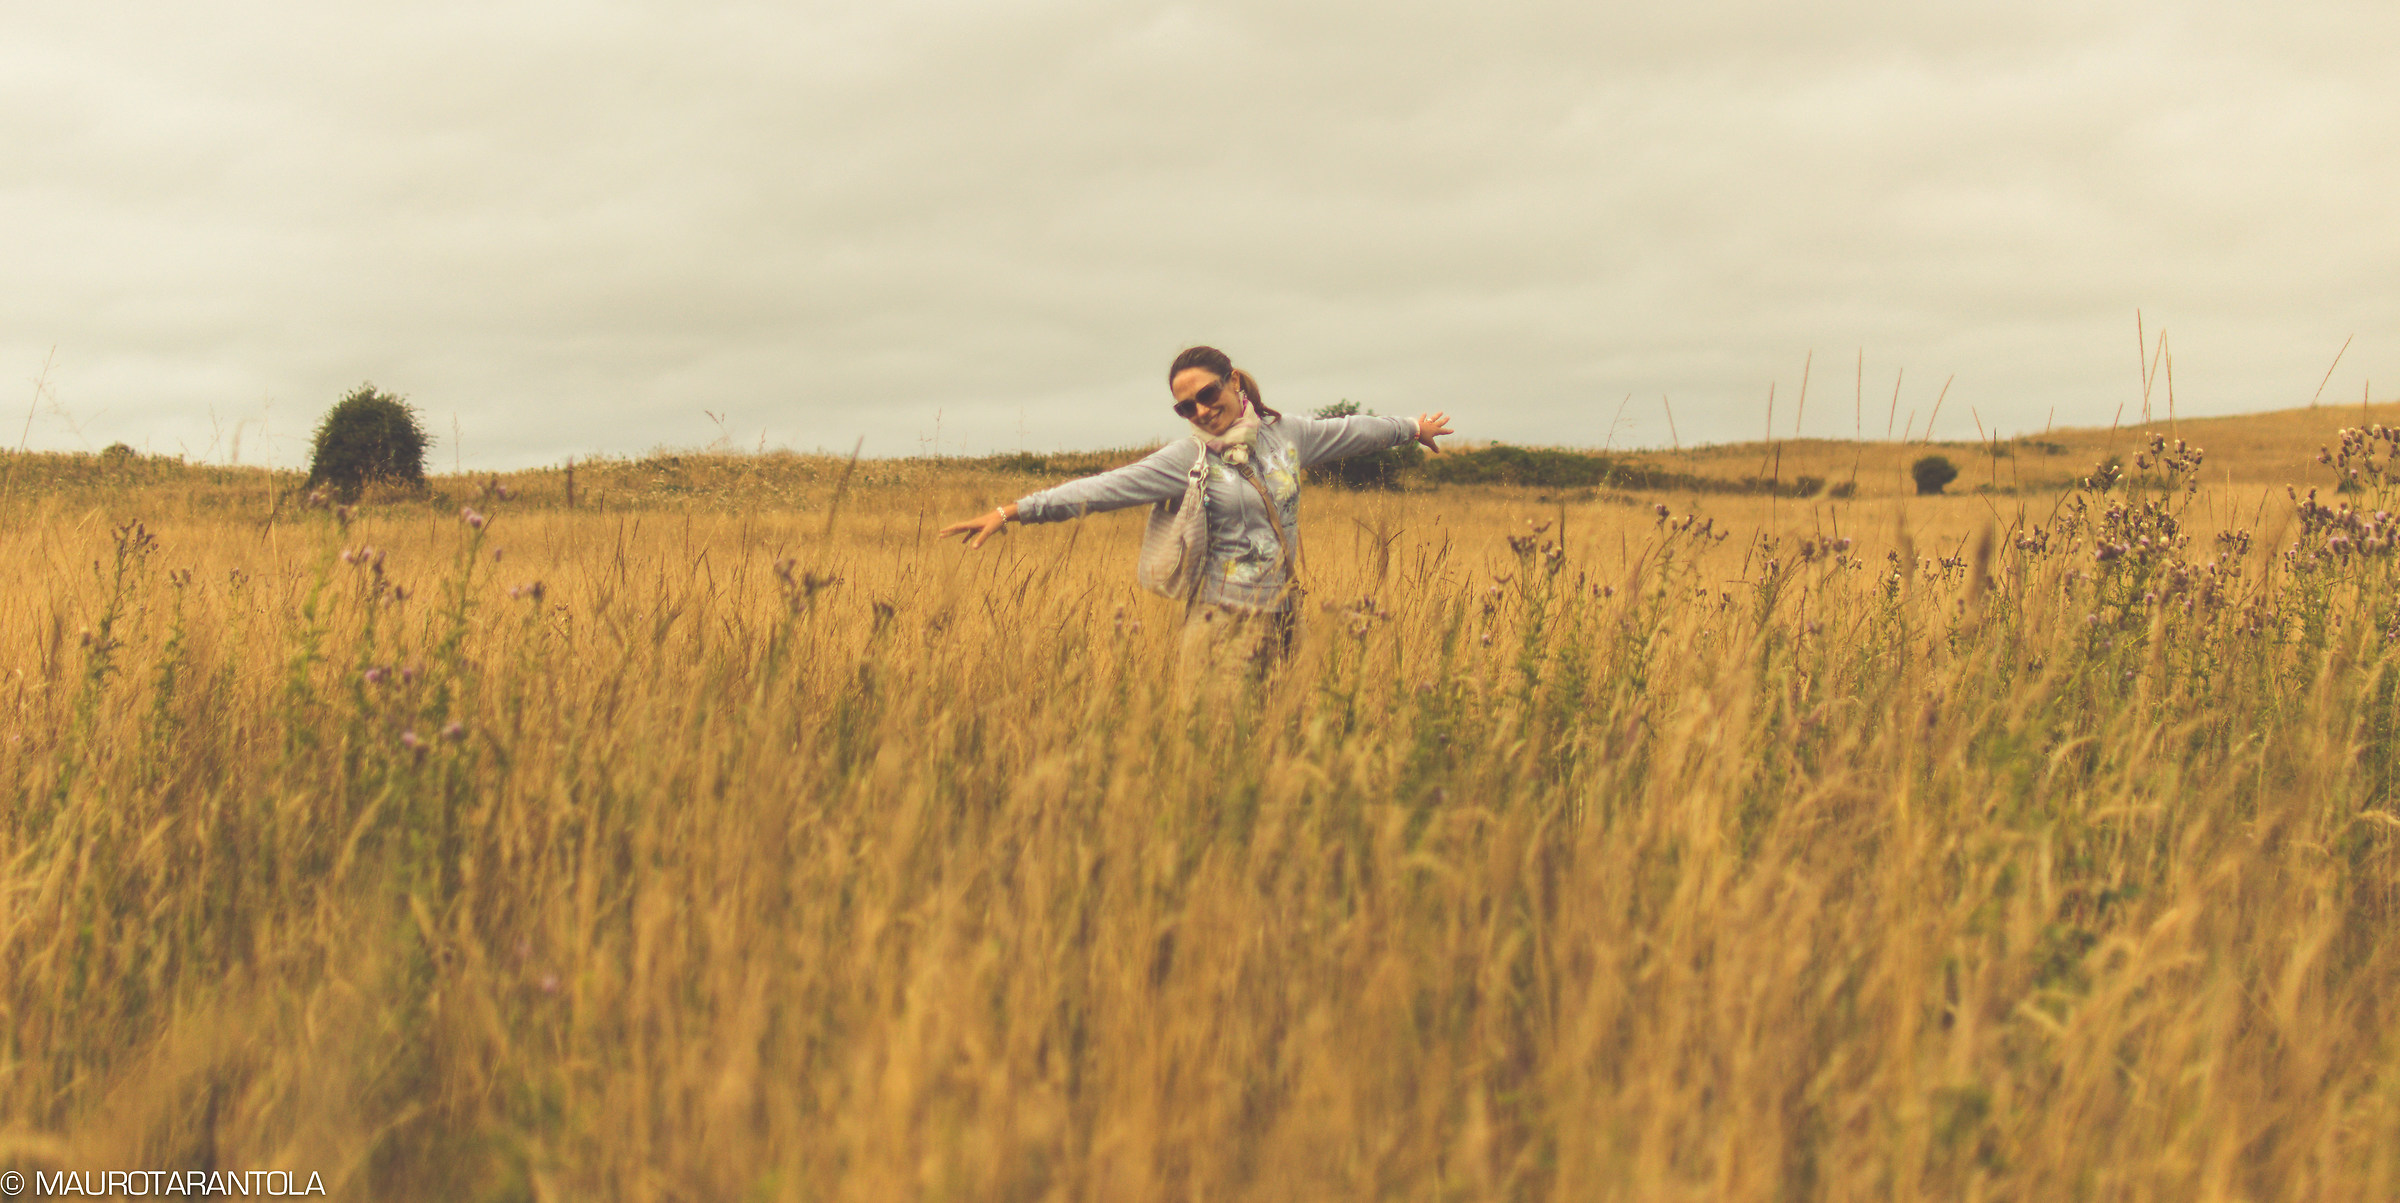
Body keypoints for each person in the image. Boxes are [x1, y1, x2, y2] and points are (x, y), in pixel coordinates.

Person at [938, 346, 1454, 684]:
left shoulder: (1287, 435)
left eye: (1208, 395)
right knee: (1218, 753)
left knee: (1276, 745)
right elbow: (1101, 489)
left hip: (1284, 618)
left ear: (1233, 382)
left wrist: (1411, 427)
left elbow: (1354, 432)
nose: (1202, 411)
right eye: (1187, 407)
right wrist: (1012, 512)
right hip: (1219, 623)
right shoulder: (1188, 460)